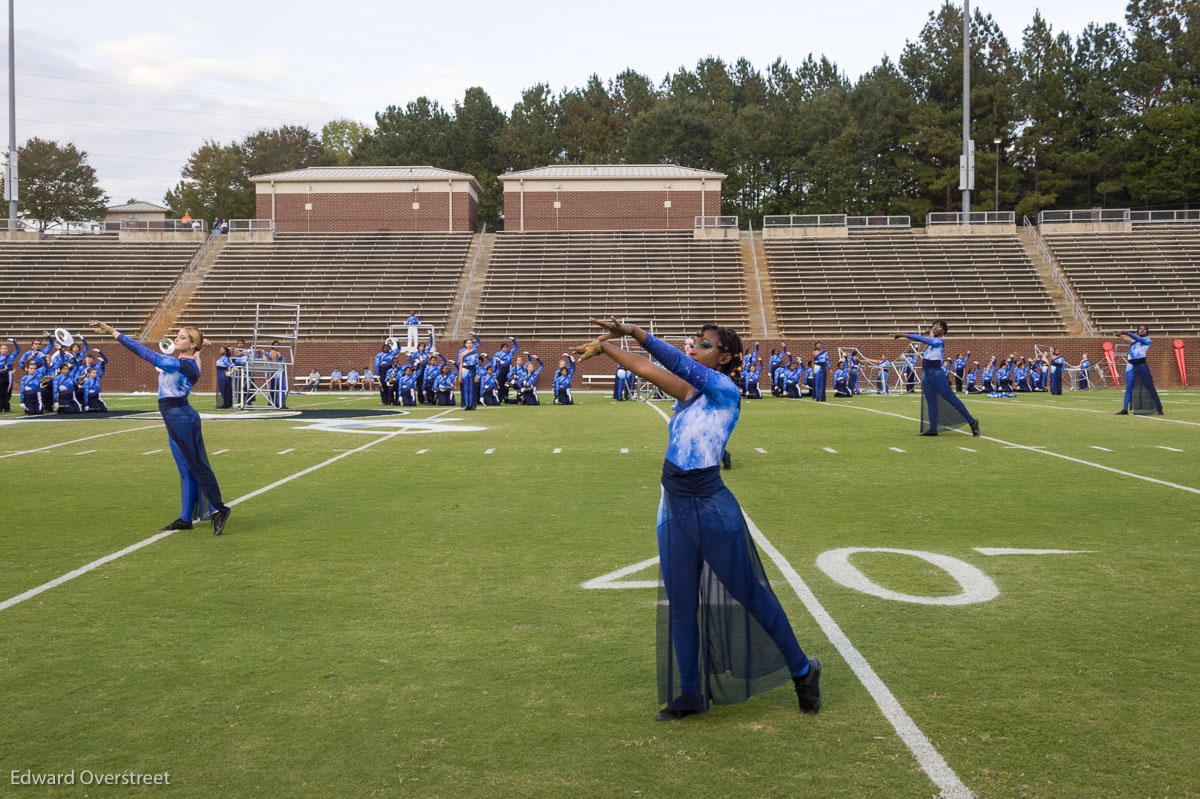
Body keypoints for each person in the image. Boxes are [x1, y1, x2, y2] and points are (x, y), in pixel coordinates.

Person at [574, 317, 822, 721]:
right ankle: (690, 692)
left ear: (725, 357)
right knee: (681, 604)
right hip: (672, 508)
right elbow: (646, 368)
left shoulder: (724, 389)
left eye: (704, 346)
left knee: (753, 595)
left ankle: (802, 669)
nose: (694, 349)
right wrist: (606, 349)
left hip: (711, 508)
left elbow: (671, 359)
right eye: (696, 345)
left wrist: (634, 332)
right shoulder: (689, 392)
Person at [91, 319, 231, 535]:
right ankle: (186, 519)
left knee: (197, 465)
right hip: (176, 416)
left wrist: (112, 331)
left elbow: (143, 352)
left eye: (182, 337)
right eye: (178, 335)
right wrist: (200, 345)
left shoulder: (178, 364)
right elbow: (198, 355)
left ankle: (219, 509)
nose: (176, 338)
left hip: (180, 417)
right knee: (186, 471)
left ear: (193, 344)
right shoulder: (191, 361)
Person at [892, 321, 980, 437]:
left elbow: (923, 339)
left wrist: (904, 335)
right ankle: (933, 429)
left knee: (952, 399)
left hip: (936, 374)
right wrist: (928, 331)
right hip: (927, 375)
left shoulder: (939, 341)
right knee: (931, 402)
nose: (935, 328)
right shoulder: (933, 340)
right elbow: (926, 336)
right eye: (934, 326)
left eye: (938, 327)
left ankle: (972, 421)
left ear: (943, 331)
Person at [1116, 326, 1163, 415]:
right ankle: (1124, 409)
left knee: (1150, 387)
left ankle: (1159, 407)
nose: (1142, 330)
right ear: (1137, 331)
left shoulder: (1148, 340)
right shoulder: (1133, 342)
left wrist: (1126, 332)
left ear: (1147, 332)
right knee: (1129, 387)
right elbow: (1125, 337)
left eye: (1144, 329)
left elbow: (1137, 338)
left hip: (1141, 365)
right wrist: (1119, 334)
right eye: (1140, 329)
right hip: (1130, 365)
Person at [458, 333, 481, 411]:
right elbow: (461, 364)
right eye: (467, 343)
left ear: (472, 344)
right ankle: (467, 404)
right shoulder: (462, 353)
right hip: (465, 370)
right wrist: (460, 374)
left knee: (472, 388)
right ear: (465, 344)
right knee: (466, 388)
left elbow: (477, 364)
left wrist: (477, 374)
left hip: (473, 370)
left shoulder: (475, 353)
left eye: (470, 343)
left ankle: (472, 404)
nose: (469, 344)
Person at [0, 337, 19, 412]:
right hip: (0, 374)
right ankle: (0, 407)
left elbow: (18, 350)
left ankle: (7, 407)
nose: (4, 349)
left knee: (7, 391)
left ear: (7, 350)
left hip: (7, 374)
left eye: (5, 348)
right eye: (2, 348)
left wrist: (14, 342)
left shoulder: (10, 356)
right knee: (0, 391)